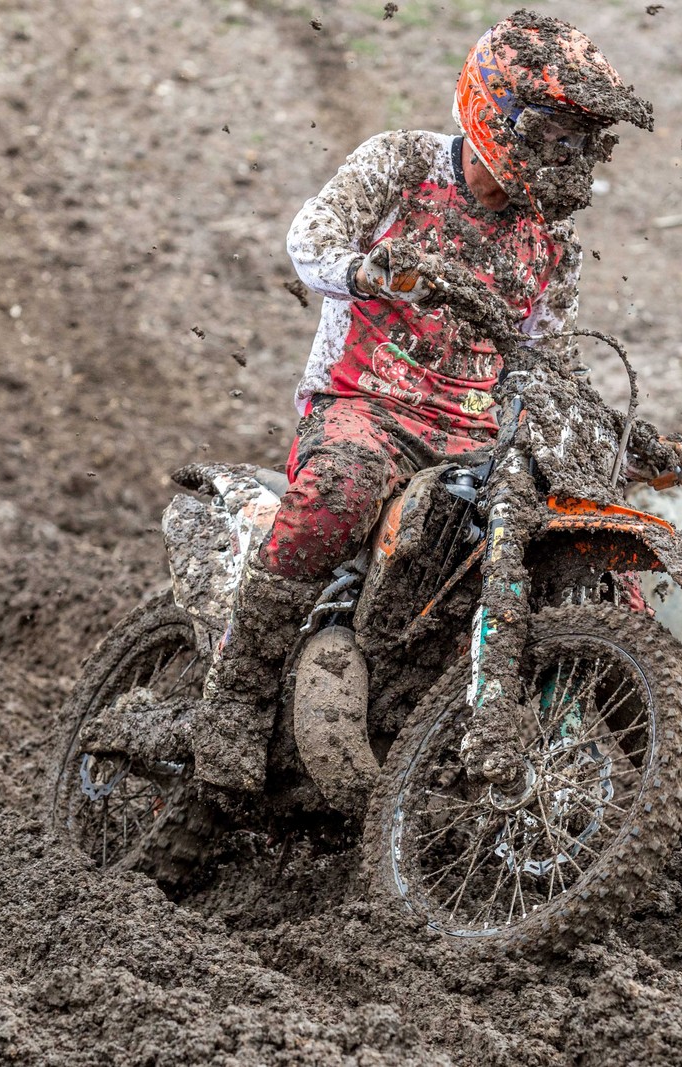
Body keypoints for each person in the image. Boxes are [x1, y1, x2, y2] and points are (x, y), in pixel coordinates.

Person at [192, 10, 656, 792]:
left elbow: (547, 359)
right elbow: (309, 237)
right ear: (495, 110)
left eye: (577, 140)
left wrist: (616, 431)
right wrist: (373, 272)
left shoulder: (554, 244)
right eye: (550, 130)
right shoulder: (402, 165)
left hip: (476, 435)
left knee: (588, 548)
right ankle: (233, 701)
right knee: (340, 492)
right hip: (362, 402)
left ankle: (652, 756)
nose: (562, 154)